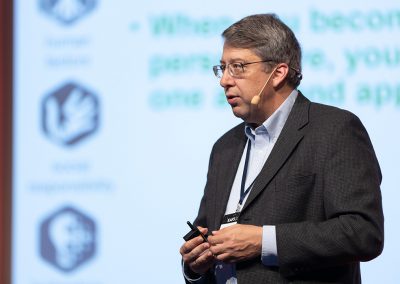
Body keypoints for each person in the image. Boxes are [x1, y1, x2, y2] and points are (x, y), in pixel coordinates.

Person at [179, 13, 384, 284]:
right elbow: (207, 235)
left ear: (277, 73)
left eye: (238, 67)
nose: (224, 81)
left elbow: (363, 233)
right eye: (222, 68)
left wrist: (264, 242)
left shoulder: (334, 129)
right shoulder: (224, 148)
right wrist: (195, 266)